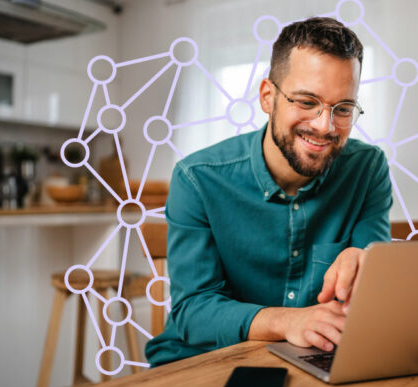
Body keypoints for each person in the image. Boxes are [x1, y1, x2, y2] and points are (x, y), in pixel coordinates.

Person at [145, 16, 392, 367]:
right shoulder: (197, 178)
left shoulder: (367, 169)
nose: (325, 126)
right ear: (267, 97)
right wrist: (288, 321)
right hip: (204, 360)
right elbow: (193, 311)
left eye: (343, 109)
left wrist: (368, 265)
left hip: (313, 360)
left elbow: (371, 289)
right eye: (306, 102)